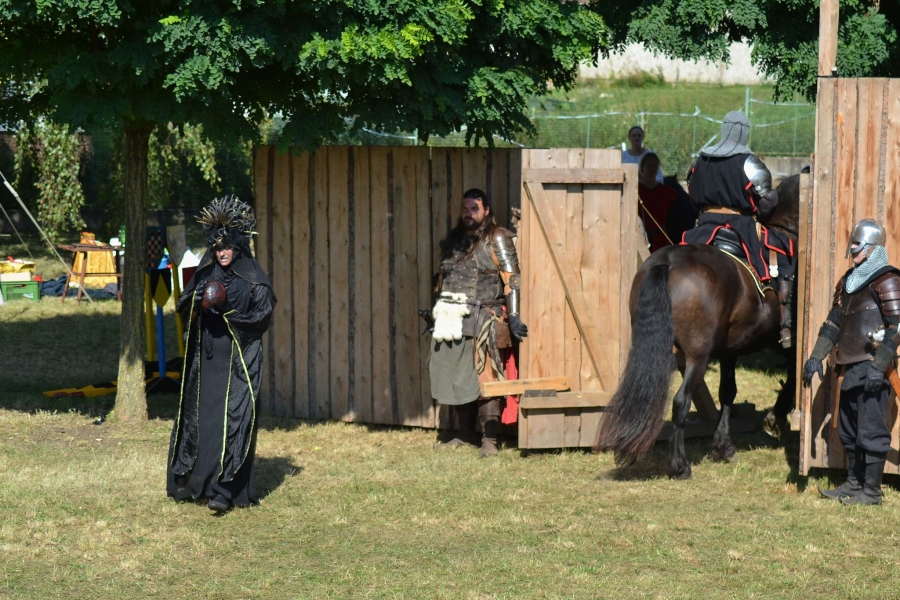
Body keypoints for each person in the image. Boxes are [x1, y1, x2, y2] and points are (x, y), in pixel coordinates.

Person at [167, 196, 276, 513]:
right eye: (216, 248)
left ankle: (225, 491)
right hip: (208, 362)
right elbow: (183, 306)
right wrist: (198, 301)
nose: (221, 253)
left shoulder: (254, 278)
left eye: (227, 247)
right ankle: (199, 483)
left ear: (238, 245)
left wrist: (228, 311)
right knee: (204, 421)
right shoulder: (206, 273)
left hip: (238, 362)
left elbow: (261, 318)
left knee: (233, 422)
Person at [803, 220, 900, 506]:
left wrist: (879, 366)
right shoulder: (849, 280)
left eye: (857, 245)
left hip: (873, 366)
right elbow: (833, 323)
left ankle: (871, 492)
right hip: (847, 366)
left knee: (871, 430)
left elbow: (896, 327)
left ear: (872, 248)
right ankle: (854, 484)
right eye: (853, 243)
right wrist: (816, 356)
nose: (852, 250)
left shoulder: (887, 279)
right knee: (848, 429)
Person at [681, 110, 795, 347]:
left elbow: (691, 191)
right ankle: (785, 324)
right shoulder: (748, 161)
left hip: (703, 227)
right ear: (744, 132)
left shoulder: (701, 160)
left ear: (724, 128)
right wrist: (760, 213)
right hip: (740, 227)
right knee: (783, 249)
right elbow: (768, 199)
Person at [428, 188, 527, 458]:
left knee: (487, 378)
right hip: (452, 319)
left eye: (474, 208)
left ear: (486, 210)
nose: (468, 213)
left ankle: (489, 440)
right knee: (458, 377)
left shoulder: (498, 237)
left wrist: (514, 316)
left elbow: (512, 279)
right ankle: (465, 434)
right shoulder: (453, 240)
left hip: (485, 318)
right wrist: (435, 312)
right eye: (465, 208)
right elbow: (442, 279)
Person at [637, 152, 676, 252]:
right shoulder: (636, 190)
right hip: (639, 237)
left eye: (655, 165)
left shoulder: (667, 192)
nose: (652, 168)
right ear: (642, 167)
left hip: (660, 239)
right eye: (649, 165)